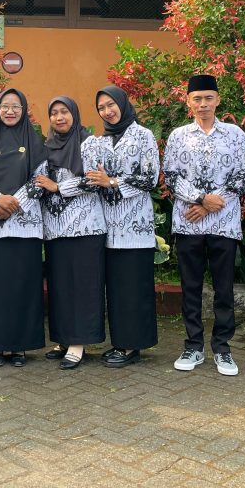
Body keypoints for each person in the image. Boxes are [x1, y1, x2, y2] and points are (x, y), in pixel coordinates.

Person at [162, 74, 245, 377]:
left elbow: (242, 174)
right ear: (188, 102)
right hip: (189, 224)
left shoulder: (235, 135)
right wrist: (200, 200)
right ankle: (193, 346)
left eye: (208, 98)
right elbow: (171, 176)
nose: (203, 104)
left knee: (224, 288)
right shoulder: (178, 136)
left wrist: (212, 203)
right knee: (191, 288)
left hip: (223, 224)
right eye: (197, 99)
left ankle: (222, 348)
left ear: (218, 100)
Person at [0, 89, 48, 368]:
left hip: (24, 229)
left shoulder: (36, 143)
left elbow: (41, 180)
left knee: (22, 287)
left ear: (24, 110)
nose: (10, 111)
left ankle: (19, 346)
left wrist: (12, 204)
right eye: (5, 106)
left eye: (16, 106)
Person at [89, 85, 160, 368]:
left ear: (122, 103)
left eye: (111, 105)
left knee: (134, 287)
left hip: (136, 226)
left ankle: (133, 345)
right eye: (101, 108)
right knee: (117, 289)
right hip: (108, 227)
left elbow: (150, 178)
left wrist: (113, 182)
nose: (107, 111)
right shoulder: (100, 141)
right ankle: (120, 342)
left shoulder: (143, 135)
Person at [37, 96, 107, 371]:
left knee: (83, 285)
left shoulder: (89, 143)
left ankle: (79, 342)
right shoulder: (46, 147)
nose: (59, 117)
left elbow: (94, 180)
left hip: (85, 227)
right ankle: (64, 339)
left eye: (64, 111)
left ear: (74, 114)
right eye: (54, 113)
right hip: (55, 229)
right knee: (61, 285)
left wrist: (58, 187)